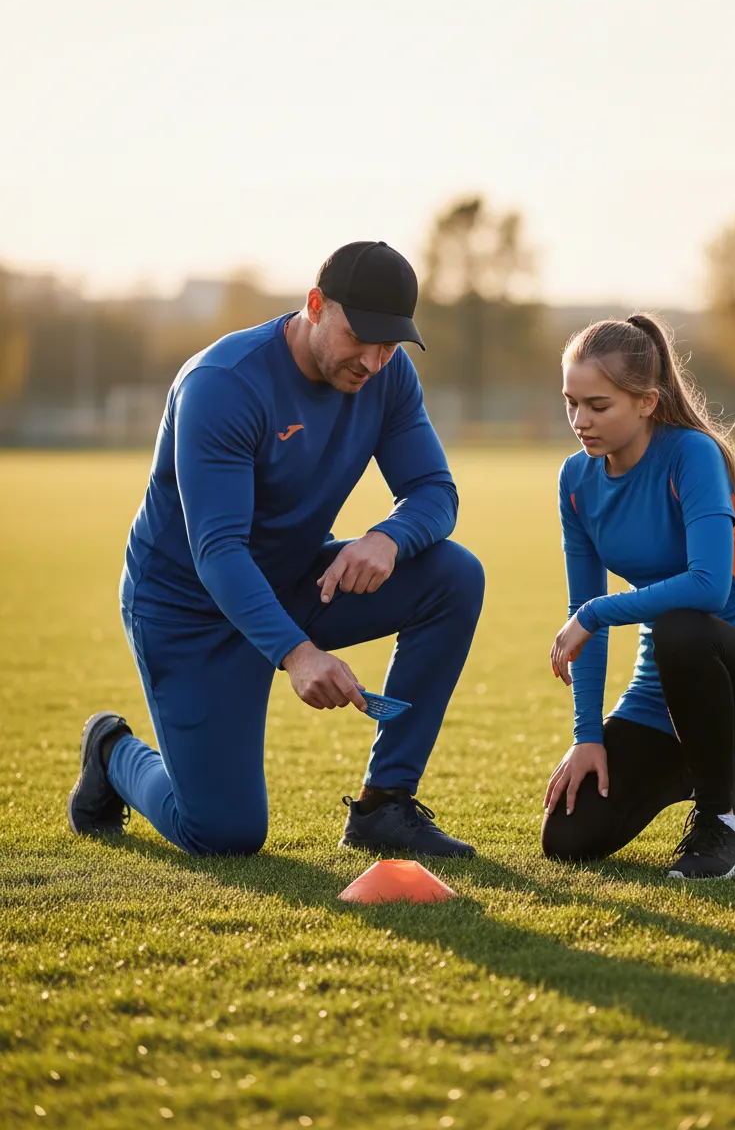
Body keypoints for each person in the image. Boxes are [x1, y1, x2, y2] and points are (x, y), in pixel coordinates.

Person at [68, 241, 484, 858]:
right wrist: (298, 654)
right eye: (360, 337)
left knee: (454, 576)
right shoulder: (222, 385)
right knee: (223, 833)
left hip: (292, 582)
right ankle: (110, 751)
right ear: (315, 305)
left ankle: (384, 806)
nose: (373, 361)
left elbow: (434, 491)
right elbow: (218, 550)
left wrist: (388, 537)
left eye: (390, 344)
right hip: (187, 608)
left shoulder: (389, 374)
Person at [541, 314, 735, 879]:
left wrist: (596, 612)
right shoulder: (575, 480)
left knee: (681, 626)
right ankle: (707, 766)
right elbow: (582, 616)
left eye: (598, 405)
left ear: (647, 402)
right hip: (660, 687)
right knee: (568, 836)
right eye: (571, 403)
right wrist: (587, 737)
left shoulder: (691, 454)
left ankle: (720, 819)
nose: (580, 421)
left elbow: (708, 587)